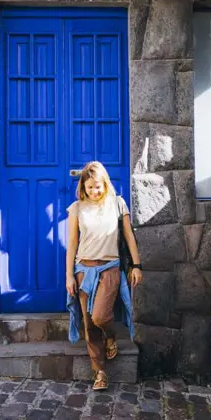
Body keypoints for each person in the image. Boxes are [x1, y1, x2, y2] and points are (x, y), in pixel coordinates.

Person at [66, 161, 142, 391]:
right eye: (89, 188)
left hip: (110, 267)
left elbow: (129, 236)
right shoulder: (77, 208)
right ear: (83, 187)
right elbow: (72, 243)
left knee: (99, 316)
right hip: (83, 270)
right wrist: (69, 276)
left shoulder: (118, 204)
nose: (94, 191)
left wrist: (137, 265)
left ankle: (111, 335)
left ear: (105, 183)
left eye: (98, 187)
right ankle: (99, 372)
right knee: (88, 324)